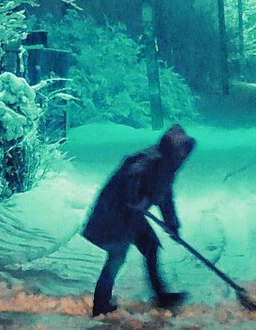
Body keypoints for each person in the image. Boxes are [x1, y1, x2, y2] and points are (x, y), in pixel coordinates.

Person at [82, 124, 195, 316]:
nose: (183, 156)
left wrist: (172, 225)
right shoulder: (150, 160)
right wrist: (135, 199)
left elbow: (165, 197)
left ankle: (161, 296)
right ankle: (100, 305)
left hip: (132, 216)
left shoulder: (167, 167)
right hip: (113, 214)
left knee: (151, 247)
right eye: (181, 152)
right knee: (116, 257)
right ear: (172, 149)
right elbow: (132, 175)